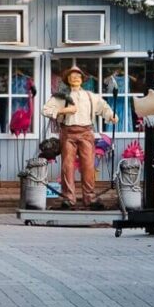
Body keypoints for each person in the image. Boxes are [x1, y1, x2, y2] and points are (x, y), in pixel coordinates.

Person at [42, 65, 118, 211]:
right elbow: (45, 110)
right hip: (68, 132)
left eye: (78, 75)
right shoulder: (61, 96)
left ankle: (90, 197)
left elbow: (104, 108)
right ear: (67, 79)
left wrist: (111, 116)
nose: (75, 77)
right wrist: (63, 110)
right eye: (72, 75)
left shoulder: (91, 96)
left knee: (88, 165)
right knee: (67, 166)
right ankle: (68, 199)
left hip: (86, 132)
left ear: (82, 79)